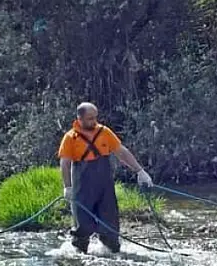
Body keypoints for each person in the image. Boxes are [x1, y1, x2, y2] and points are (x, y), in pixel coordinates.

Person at [58, 102, 153, 254]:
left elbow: (122, 152)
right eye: (90, 118)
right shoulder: (70, 138)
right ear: (79, 118)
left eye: (95, 117)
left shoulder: (104, 132)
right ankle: (79, 256)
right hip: (82, 189)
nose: (94, 121)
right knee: (83, 227)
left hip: (104, 187)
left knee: (110, 225)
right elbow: (65, 163)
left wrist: (140, 171)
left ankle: (111, 253)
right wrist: (67, 187)